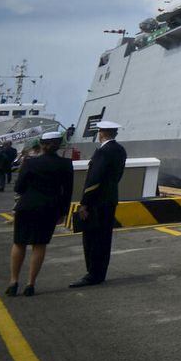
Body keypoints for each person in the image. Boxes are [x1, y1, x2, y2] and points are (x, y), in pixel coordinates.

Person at [7, 131, 74, 298]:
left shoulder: (30, 163)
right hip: (49, 208)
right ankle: (30, 284)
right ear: (59, 145)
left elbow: (19, 187)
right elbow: (67, 191)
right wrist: (63, 212)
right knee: (39, 245)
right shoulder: (66, 164)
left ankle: (13, 282)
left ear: (42, 145)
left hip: (27, 206)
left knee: (19, 243)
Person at [70, 120, 126, 288]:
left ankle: (92, 274)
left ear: (101, 133)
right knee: (104, 238)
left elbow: (94, 179)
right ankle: (100, 273)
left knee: (92, 238)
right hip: (110, 199)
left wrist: (85, 203)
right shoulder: (120, 150)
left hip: (97, 202)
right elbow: (117, 175)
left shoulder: (103, 152)